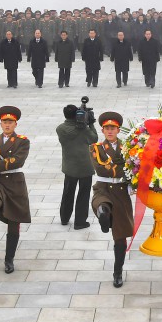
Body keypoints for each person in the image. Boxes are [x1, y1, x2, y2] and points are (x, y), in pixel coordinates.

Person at [0, 106, 31, 274]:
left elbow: (17, 161)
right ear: (0, 123)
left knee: (14, 222)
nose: (7, 125)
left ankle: (9, 259)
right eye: (5, 122)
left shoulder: (22, 141)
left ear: (15, 124)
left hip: (14, 181)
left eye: (10, 122)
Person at [90, 111, 134, 287]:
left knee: (120, 237)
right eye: (107, 128)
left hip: (121, 192)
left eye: (113, 128)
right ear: (102, 130)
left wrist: (124, 170)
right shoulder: (96, 147)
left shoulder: (129, 147)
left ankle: (117, 271)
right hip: (103, 188)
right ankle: (104, 215)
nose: (110, 131)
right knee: (102, 206)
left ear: (118, 130)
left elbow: (135, 166)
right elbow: (101, 169)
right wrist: (124, 169)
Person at [57, 104, 98, 229]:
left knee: (68, 192)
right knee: (83, 195)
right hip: (85, 166)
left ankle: (64, 218)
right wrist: (90, 123)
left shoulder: (60, 128)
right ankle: (80, 222)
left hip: (69, 167)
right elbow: (94, 139)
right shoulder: (83, 129)